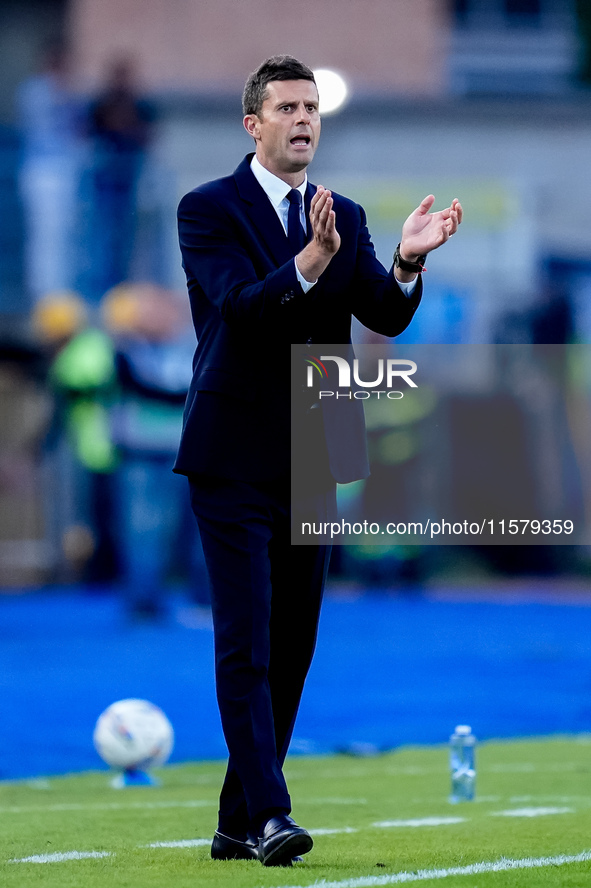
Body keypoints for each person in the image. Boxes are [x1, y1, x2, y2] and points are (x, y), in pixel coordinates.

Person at [174, 55, 462, 867]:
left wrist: (406, 260)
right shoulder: (208, 209)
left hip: (316, 445)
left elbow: (384, 313)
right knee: (247, 639)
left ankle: (235, 820)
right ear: (252, 124)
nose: (303, 119)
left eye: (312, 107)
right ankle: (270, 815)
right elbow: (239, 307)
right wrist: (306, 262)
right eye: (287, 107)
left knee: (294, 642)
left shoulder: (349, 214)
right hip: (230, 453)